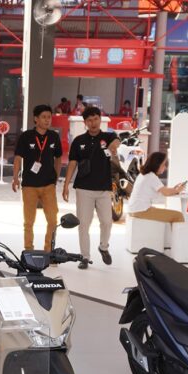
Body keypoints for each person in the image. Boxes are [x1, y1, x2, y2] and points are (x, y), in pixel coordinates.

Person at [63, 106, 120, 269]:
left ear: (100, 119)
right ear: (85, 122)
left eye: (95, 119)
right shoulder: (79, 141)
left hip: (104, 189)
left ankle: (103, 247)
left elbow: (117, 140)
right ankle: (85, 257)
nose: (93, 123)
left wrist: (114, 145)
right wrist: (66, 184)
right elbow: (72, 163)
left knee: (107, 222)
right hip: (84, 189)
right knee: (83, 224)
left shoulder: (108, 137)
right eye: (89, 120)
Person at [12, 104, 63, 251]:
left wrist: (56, 176)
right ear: (36, 119)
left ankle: (49, 250)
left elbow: (58, 157)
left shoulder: (54, 136)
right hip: (29, 185)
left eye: (49, 117)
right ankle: (28, 249)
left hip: (48, 185)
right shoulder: (26, 136)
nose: (47, 120)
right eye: (44, 117)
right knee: (29, 222)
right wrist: (15, 177)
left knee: (53, 220)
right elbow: (18, 158)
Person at [128, 152, 186, 223]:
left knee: (171, 215)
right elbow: (166, 192)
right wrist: (177, 190)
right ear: (157, 164)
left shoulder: (144, 174)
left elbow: (163, 191)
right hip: (141, 211)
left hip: (134, 209)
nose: (165, 167)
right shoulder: (151, 176)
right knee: (178, 215)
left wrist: (174, 190)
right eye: (163, 164)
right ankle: (177, 231)